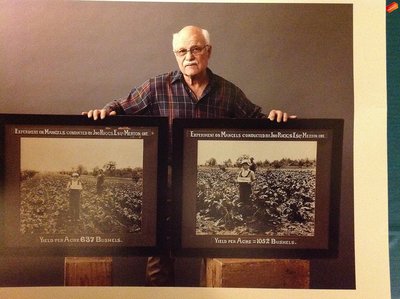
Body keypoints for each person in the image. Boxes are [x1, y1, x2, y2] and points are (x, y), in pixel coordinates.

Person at [83, 25, 296, 286]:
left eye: (195, 49)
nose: (189, 57)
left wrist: (277, 120)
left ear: (208, 51)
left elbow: (257, 122)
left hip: (204, 183)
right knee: (160, 254)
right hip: (169, 182)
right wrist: (104, 112)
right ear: (175, 54)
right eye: (181, 51)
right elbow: (120, 106)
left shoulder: (227, 92)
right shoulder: (157, 87)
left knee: (217, 248)